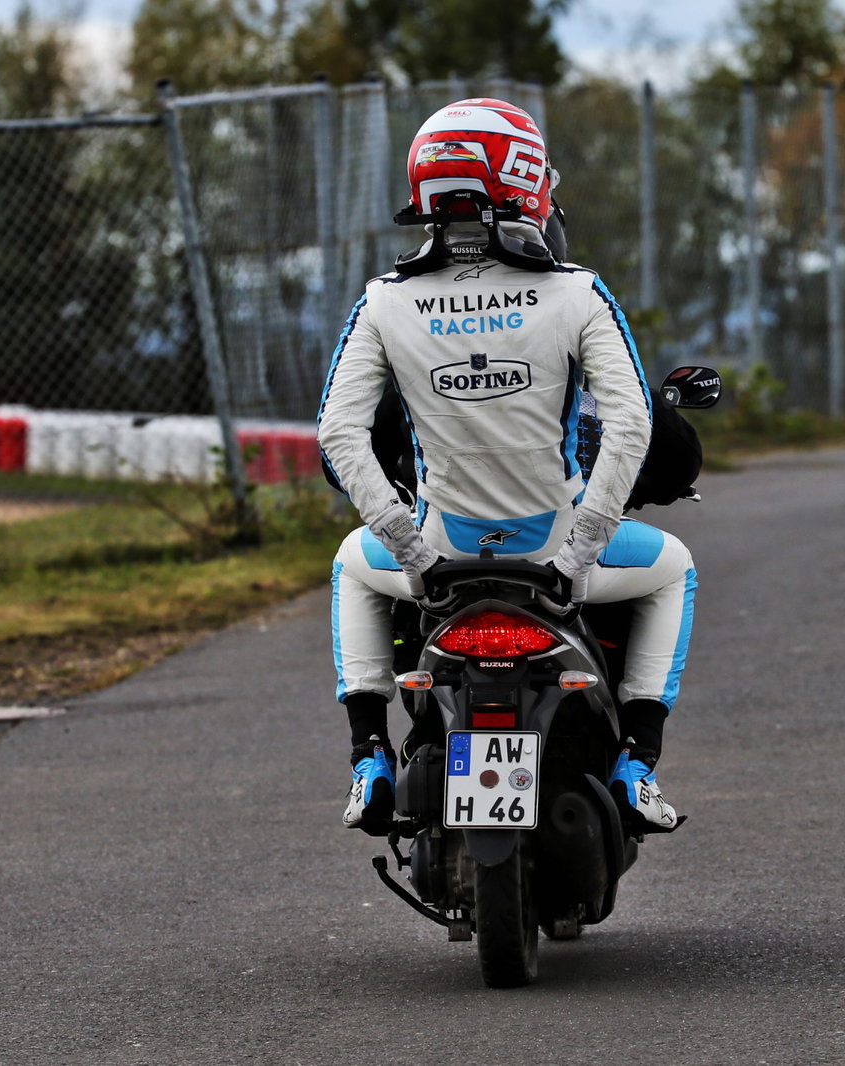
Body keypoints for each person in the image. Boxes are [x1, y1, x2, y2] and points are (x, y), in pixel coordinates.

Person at [317, 98, 696, 837]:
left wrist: (408, 546)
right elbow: (632, 424)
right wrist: (579, 549)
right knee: (674, 566)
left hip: (439, 558)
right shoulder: (577, 291)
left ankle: (369, 761)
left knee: (349, 566)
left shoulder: (384, 302)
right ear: (522, 179)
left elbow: (338, 432)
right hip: (558, 558)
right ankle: (638, 766)